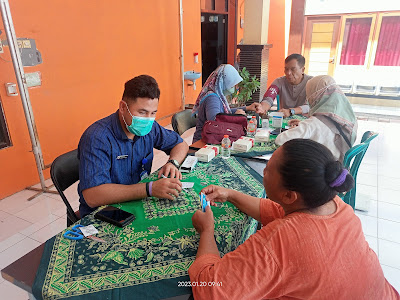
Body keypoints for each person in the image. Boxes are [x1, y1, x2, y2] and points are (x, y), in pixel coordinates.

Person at [189, 139, 399, 300]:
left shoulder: (279, 240)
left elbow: (209, 290)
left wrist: (207, 230)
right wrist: (231, 194)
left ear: (289, 196)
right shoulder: (336, 205)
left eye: (268, 169)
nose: (263, 172)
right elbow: (275, 211)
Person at [77, 75, 189, 218]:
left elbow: (180, 144)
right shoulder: (97, 138)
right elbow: (93, 196)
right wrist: (149, 188)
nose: (147, 119)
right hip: (105, 213)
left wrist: (173, 163)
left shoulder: (150, 128)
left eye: (153, 113)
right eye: (142, 112)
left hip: (137, 202)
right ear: (123, 107)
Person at [275, 75, 357, 161]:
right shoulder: (350, 118)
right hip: (338, 165)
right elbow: (325, 131)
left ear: (315, 96)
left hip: (321, 170)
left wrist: (296, 129)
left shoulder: (313, 124)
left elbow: (280, 140)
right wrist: (303, 124)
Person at [192, 64, 262, 143]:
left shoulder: (218, 95)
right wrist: (236, 117)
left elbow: (222, 113)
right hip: (202, 143)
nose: (236, 88)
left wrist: (247, 108)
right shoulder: (212, 98)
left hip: (212, 139)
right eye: (233, 85)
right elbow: (216, 123)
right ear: (223, 82)